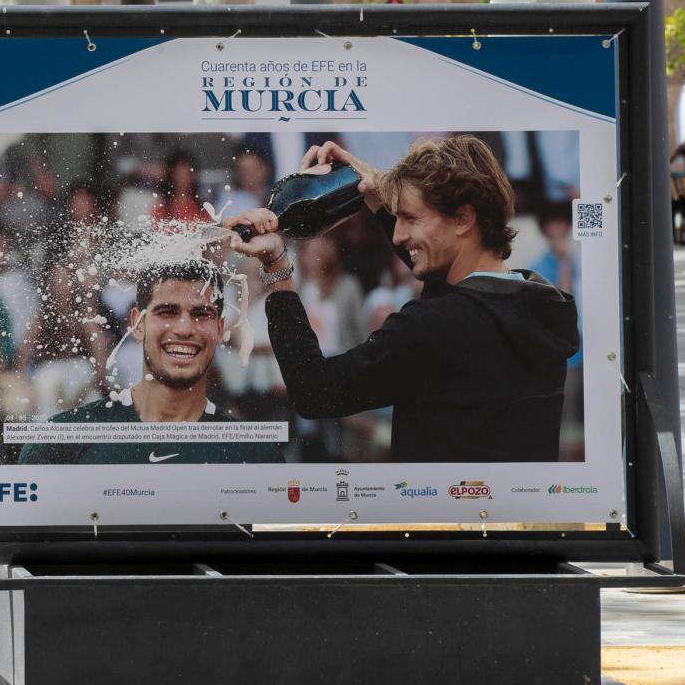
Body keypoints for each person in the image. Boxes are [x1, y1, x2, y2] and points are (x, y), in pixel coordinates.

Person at [226, 136, 579, 462]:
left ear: (464, 217)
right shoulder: (545, 304)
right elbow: (452, 289)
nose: (398, 233)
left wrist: (276, 266)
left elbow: (315, 391)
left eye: (410, 217)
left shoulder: (434, 326)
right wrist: (380, 194)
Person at [17, 260, 283, 464]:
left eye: (202, 314)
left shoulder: (255, 453)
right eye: (167, 311)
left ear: (219, 328)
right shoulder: (60, 442)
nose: (184, 328)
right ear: (138, 324)